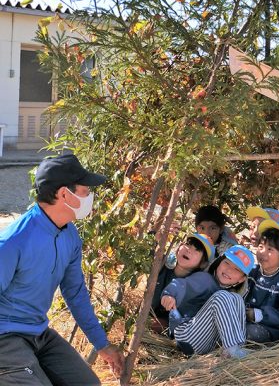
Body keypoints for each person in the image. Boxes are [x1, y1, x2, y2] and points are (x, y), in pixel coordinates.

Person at [0, 154, 124, 385]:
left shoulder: (69, 235)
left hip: (39, 333)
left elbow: (75, 293)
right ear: (64, 194)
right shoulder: (13, 241)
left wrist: (102, 344)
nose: (90, 197)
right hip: (5, 338)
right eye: (85, 191)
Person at [160, 245, 254, 358]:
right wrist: (170, 294)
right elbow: (182, 285)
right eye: (226, 263)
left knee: (237, 299)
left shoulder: (232, 295)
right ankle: (232, 350)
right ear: (219, 262)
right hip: (187, 337)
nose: (228, 270)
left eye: (236, 269)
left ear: (241, 279)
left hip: (208, 343)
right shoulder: (205, 279)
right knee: (221, 296)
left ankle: (237, 348)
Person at [245, 220, 279, 342]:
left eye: (270, 249)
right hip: (246, 319)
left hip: (269, 329)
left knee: (248, 332)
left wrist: (259, 314)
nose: (263, 252)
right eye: (261, 247)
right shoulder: (253, 272)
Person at [151, 233, 215, 332]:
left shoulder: (196, 282)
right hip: (149, 310)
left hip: (172, 324)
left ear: (203, 263)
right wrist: (156, 237)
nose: (189, 250)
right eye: (188, 244)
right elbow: (146, 255)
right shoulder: (165, 262)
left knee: (157, 325)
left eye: (197, 250)